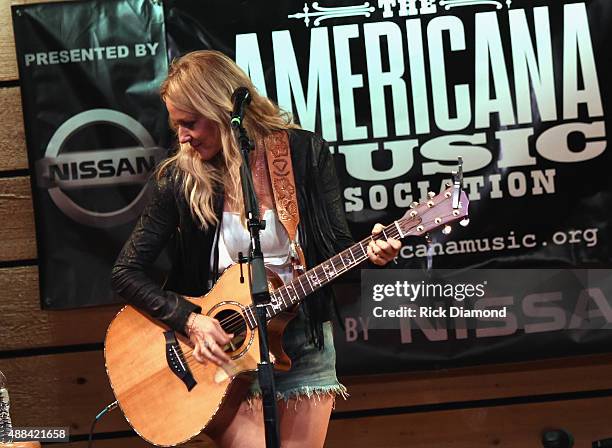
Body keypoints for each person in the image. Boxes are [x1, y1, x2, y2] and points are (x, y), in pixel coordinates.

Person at [111, 50, 400, 448]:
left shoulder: (302, 153)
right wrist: (189, 321)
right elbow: (125, 272)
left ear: (220, 108)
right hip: (218, 351)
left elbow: (339, 250)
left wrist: (374, 252)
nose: (181, 137)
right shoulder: (181, 177)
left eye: (189, 123)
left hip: (302, 341)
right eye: (177, 125)